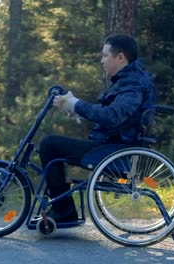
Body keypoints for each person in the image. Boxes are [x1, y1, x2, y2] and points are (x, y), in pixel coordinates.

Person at [38, 34, 156, 223]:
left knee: (49, 145)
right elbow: (113, 115)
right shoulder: (129, 80)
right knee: (54, 146)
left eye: (105, 55)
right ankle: (63, 209)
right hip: (113, 146)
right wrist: (74, 108)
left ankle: (63, 211)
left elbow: (112, 116)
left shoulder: (132, 84)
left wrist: (75, 104)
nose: (102, 61)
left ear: (120, 58)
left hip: (114, 151)